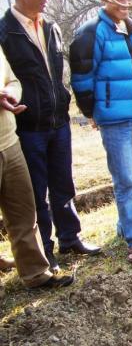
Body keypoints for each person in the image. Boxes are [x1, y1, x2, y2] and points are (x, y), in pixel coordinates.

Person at [0, 0, 100, 273]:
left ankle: (71, 237)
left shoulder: (50, 26)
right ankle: (46, 249)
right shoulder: (5, 32)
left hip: (58, 120)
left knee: (63, 183)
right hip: (29, 126)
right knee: (37, 192)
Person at [70, 0, 132, 264]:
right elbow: (82, 78)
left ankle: (130, 226)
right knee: (125, 180)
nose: (124, 2)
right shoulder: (91, 32)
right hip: (114, 117)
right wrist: (90, 111)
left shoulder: (130, 28)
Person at [0, 46, 73, 289]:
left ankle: (35, 273)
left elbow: (12, 79)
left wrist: (11, 93)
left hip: (9, 140)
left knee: (23, 212)